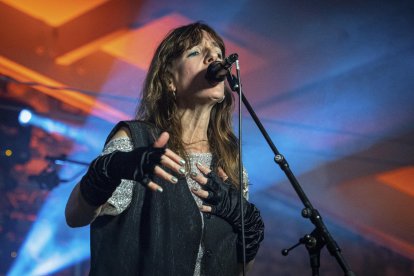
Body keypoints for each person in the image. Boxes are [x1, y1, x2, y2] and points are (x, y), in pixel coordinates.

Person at [65, 22, 264, 276]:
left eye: (217, 52)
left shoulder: (230, 160)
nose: (213, 57)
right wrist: (112, 168)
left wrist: (247, 223)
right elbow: (74, 216)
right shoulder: (137, 139)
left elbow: (239, 271)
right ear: (170, 79)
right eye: (195, 52)